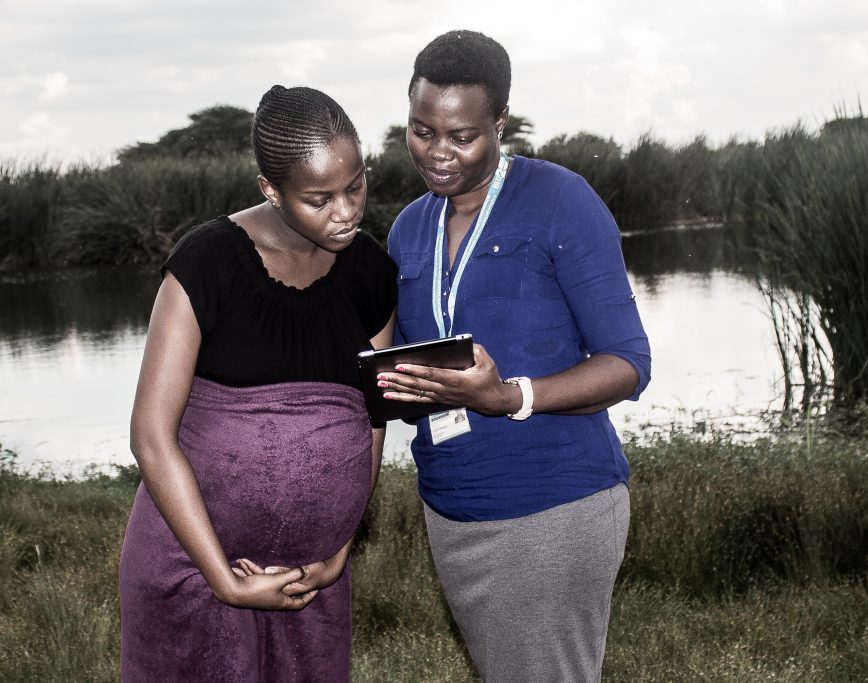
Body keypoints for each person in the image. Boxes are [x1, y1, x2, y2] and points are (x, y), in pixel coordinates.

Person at [379, 30, 651, 682]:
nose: (437, 153)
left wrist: (510, 396)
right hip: (451, 508)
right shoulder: (407, 226)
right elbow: (411, 361)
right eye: (421, 130)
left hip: (552, 506)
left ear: (500, 121)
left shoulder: (560, 200)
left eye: (462, 136)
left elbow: (627, 360)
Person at [118, 85, 396, 682]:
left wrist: (339, 548)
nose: (346, 211)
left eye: (356, 185)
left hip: (310, 578)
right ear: (271, 190)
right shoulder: (207, 263)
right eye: (320, 198)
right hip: (193, 572)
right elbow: (150, 436)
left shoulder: (370, 271)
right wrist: (224, 579)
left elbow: (372, 418)